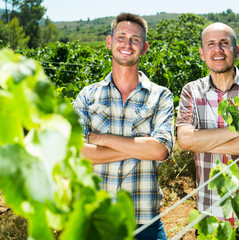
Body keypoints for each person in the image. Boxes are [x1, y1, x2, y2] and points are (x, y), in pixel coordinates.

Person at [73, 13, 174, 240]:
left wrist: (100, 139)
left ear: (144, 47)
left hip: (145, 222)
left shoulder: (160, 96)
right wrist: (139, 148)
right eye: (121, 37)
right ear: (109, 42)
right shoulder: (87, 95)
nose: (127, 44)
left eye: (135, 39)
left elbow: (159, 151)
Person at [176, 22, 239, 231]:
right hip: (209, 210)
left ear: (236, 51)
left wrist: (202, 142)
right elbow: (185, 140)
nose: (218, 50)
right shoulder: (191, 91)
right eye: (211, 44)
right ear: (202, 53)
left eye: (225, 43)